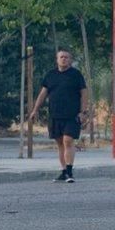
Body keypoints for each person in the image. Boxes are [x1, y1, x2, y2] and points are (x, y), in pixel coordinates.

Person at [31, 48, 89, 183]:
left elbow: (84, 93)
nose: (64, 59)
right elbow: (43, 93)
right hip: (55, 115)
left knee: (68, 141)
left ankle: (69, 171)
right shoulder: (50, 75)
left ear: (70, 60)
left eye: (66, 57)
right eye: (61, 57)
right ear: (57, 59)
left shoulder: (76, 75)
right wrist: (35, 110)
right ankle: (63, 171)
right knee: (60, 144)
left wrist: (83, 111)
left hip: (72, 115)